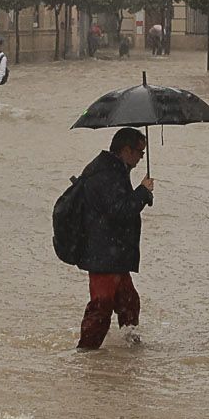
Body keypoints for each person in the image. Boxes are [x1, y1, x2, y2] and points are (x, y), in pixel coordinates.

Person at [72, 126, 154, 350]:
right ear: (126, 150)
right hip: (103, 253)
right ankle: (86, 353)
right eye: (140, 152)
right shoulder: (107, 174)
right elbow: (118, 211)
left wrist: (141, 194)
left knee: (128, 302)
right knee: (101, 306)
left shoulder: (115, 169)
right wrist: (142, 192)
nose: (141, 158)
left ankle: (130, 346)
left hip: (112, 252)